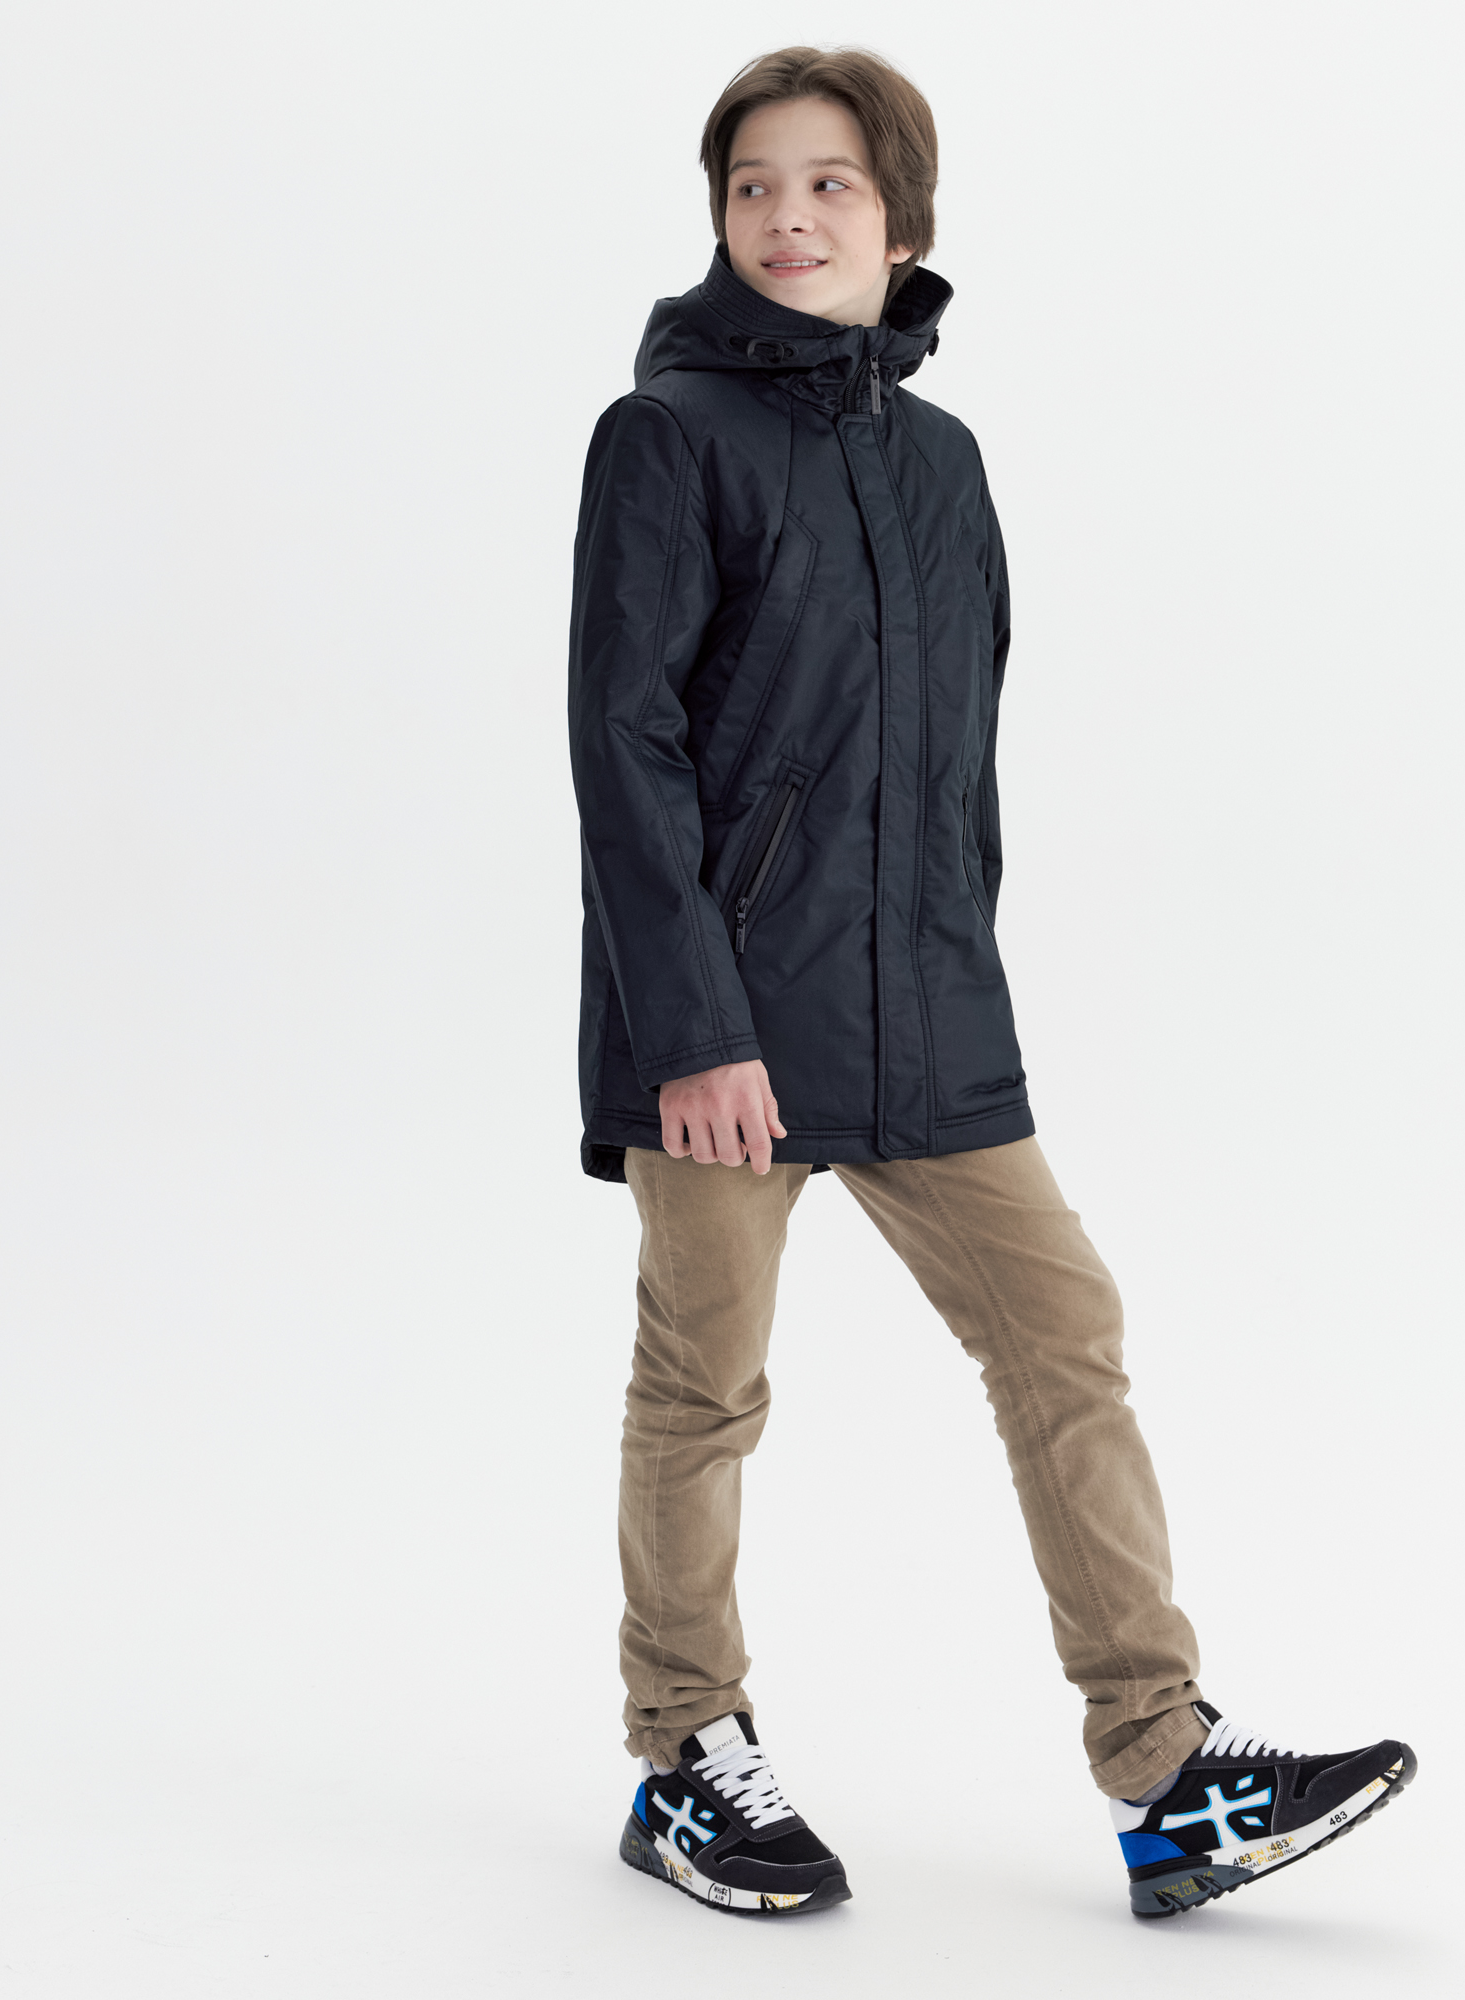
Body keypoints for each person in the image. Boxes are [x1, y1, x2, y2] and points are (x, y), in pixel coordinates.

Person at [566, 45, 1415, 1920]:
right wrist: (692, 1029)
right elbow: (622, 748)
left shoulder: (944, 462)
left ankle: (1168, 1775)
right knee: (704, 1383)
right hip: (725, 1027)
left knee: (1061, 1328)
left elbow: (960, 760)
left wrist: (963, 959)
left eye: (830, 185)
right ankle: (685, 1755)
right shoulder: (666, 436)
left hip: (925, 1005)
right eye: (754, 186)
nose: (788, 216)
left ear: (903, 220)